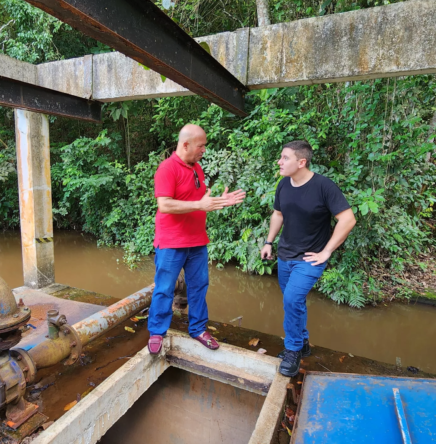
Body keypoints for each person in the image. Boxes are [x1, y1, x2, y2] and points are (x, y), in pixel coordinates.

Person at [260, 140, 356, 376]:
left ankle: (292, 350)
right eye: (280, 157)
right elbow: (278, 214)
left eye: (285, 158)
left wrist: (327, 251)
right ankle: (302, 343)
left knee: (292, 300)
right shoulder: (283, 185)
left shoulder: (324, 186)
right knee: (294, 302)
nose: (279, 162)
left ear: (301, 162)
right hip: (285, 256)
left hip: (310, 259)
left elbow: (348, 219)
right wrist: (268, 241)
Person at [147, 124, 246, 354]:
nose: (204, 150)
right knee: (164, 288)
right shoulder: (167, 169)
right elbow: (165, 204)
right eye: (201, 146)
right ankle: (157, 332)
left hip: (197, 241)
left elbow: (200, 203)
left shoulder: (197, 169)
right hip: (171, 242)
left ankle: (199, 328)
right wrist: (199, 204)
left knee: (199, 287)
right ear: (185, 144)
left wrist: (220, 202)